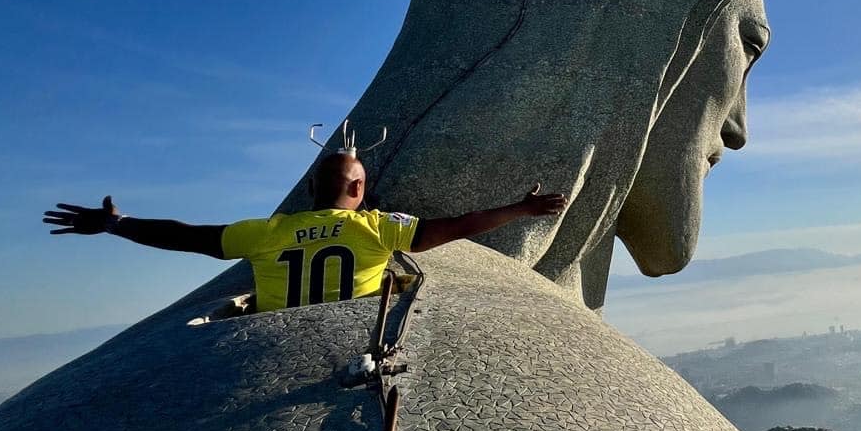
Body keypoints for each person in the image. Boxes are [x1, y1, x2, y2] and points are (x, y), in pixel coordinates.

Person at [42, 151, 568, 312]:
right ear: (359, 191)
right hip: (351, 344)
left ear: (312, 190)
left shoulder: (265, 232)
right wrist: (521, 210)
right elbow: (454, 227)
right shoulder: (377, 229)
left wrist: (117, 225)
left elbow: (187, 235)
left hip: (278, 338)